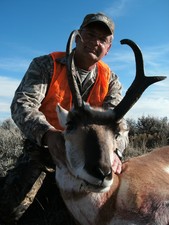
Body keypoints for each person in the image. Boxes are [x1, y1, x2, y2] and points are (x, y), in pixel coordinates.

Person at [0, 12, 129, 223]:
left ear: (108, 48)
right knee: (12, 210)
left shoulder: (110, 80)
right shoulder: (46, 65)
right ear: (78, 37)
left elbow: (119, 124)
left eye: (102, 39)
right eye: (89, 34)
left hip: (90, 156)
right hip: (44, 151)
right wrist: (48, 134)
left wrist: (115, 150)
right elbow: (22, 104)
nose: (95, 42)